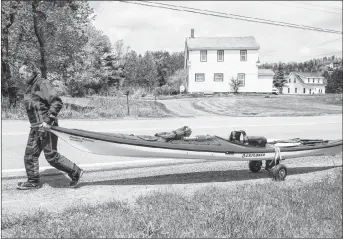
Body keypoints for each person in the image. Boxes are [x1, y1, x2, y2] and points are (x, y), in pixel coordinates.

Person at [16, 62, 83, 190]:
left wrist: (47, 121)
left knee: (51, 157)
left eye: (22, 74)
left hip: (47, 126)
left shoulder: (43, 84)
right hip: (36, 127)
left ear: (30, 72)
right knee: (30, 155)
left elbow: (56, 102)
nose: (20, 77)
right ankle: (33, 182)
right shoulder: (30, 87)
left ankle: (76, 172)